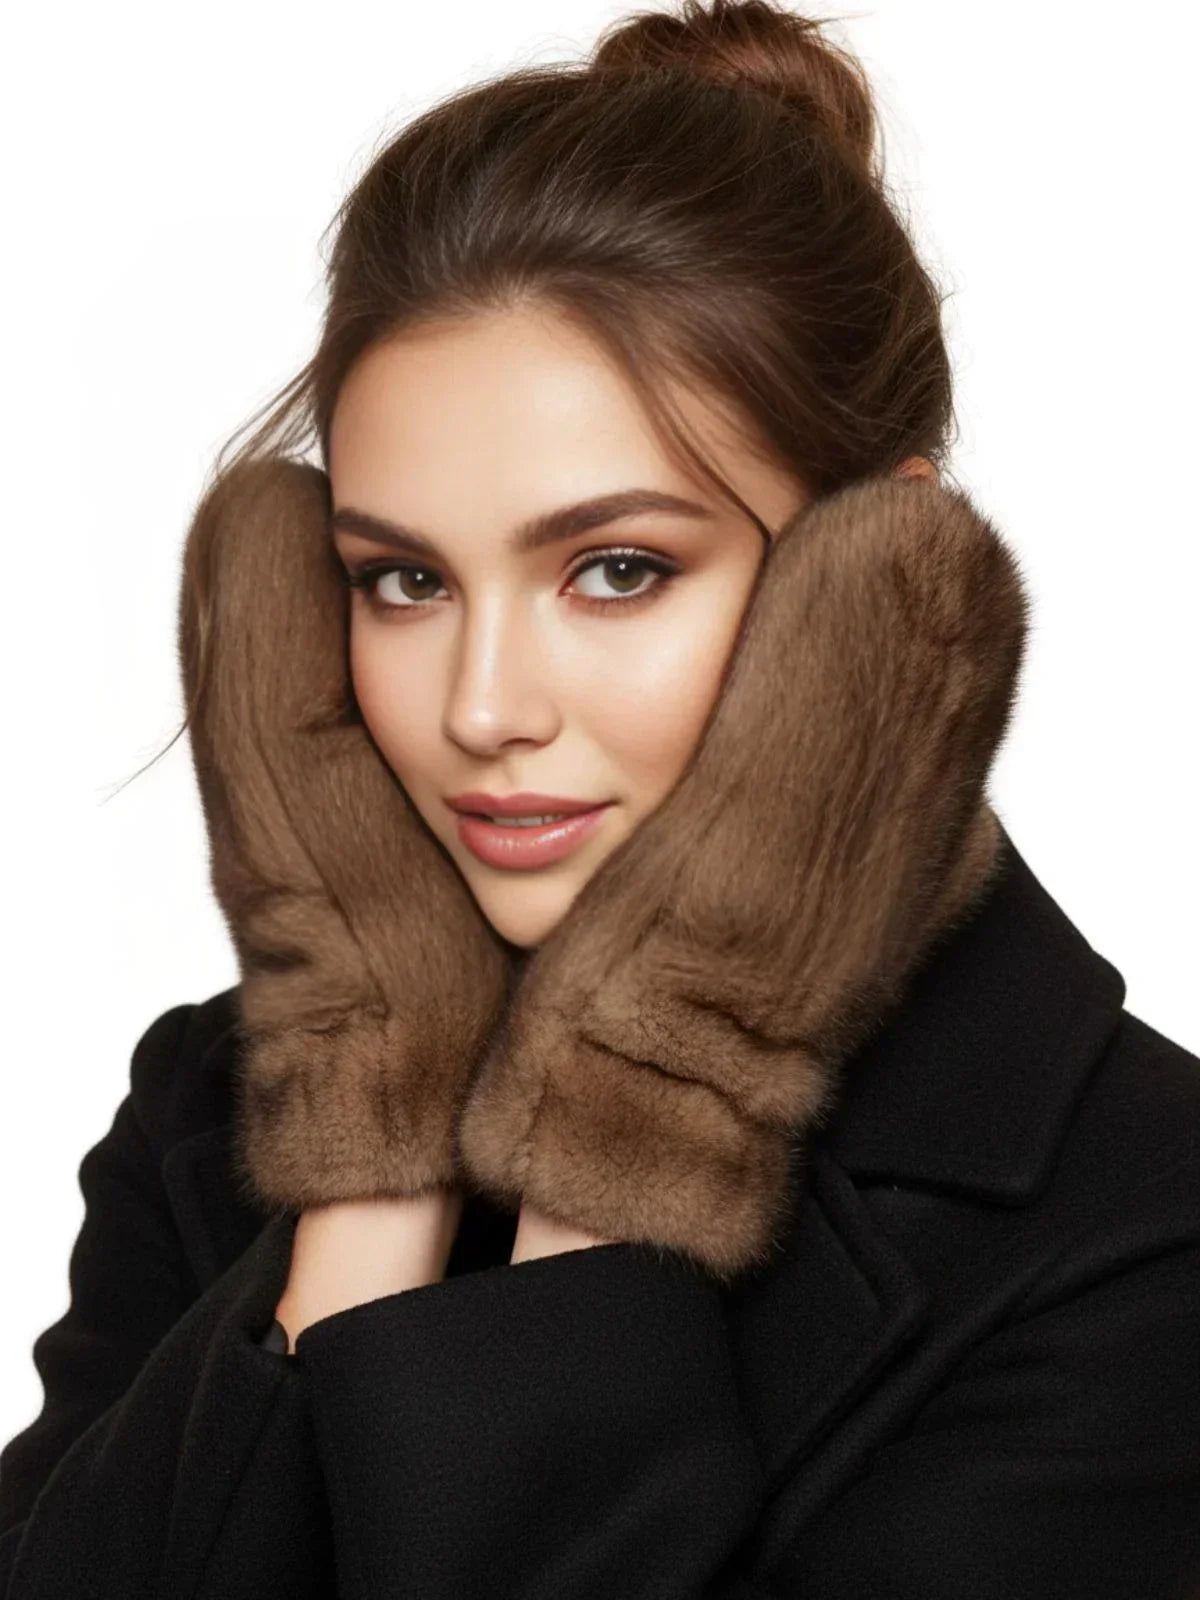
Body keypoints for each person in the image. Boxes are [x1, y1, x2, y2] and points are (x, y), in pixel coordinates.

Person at [2, 3, 1198, 1597]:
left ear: (880, 587)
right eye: (404, 579)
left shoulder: (1145, 1222)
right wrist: (363, 1174)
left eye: (616, 570)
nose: (482, 708)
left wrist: (633, 1125)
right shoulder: (209, 1116)